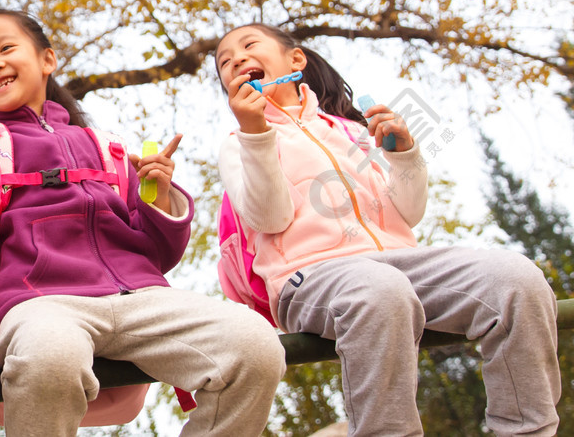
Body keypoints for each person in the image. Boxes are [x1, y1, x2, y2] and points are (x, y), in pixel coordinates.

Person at [0, 9, 285, 437]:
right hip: (39, 301)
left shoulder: (106, 149)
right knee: (50, 356)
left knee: (254, 345)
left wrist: (159, 195)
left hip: (139, 295)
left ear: (47, 60)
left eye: (5, 48)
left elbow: (159, 253)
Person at [215, 22, 561, 436]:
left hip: (399, 266)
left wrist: (404, 155)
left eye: (249, 45)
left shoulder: (353, 132)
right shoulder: (239, 143)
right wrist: (257, 135)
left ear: (295, 60)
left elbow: (408, 213)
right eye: (224, 62)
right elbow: (270, 219)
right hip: (310, 280)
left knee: (517, 279)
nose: (236, 58)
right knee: (380, 289)